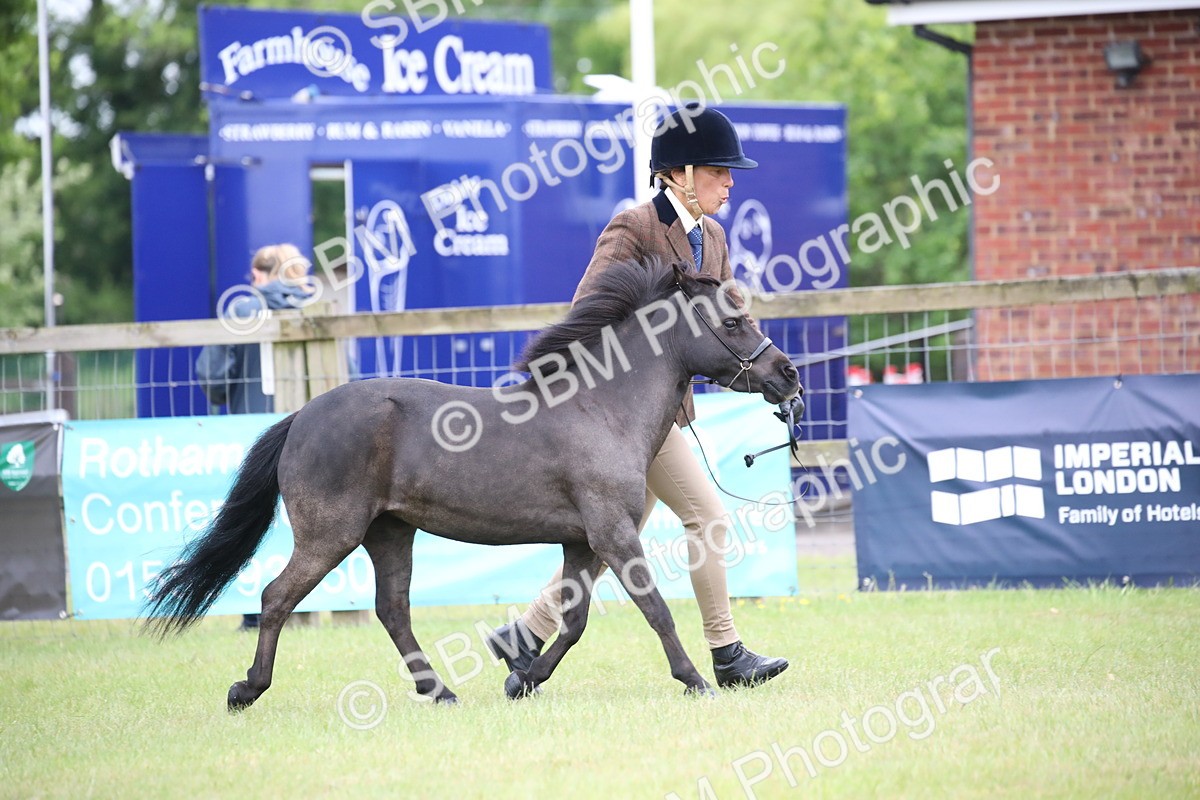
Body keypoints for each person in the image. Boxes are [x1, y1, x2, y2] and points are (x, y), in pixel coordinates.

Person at [487, 105, 789, 688]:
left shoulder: (715, 236)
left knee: (610, 540)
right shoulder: (635, 228)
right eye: (718, 171)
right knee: (707, 515)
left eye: (729, 173)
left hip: (665, 415)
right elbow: (589, 314)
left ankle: (525, 633)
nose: (730, 182)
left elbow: (727, 320)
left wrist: (766, 371)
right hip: (619, 419)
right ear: (678, 175)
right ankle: (726, 653)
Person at [226, 243, 315, 630]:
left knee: (256, 513)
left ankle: (254, 611)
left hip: (255, 423)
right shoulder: (318, 308)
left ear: (260, 275)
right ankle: (308, 608)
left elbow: (214, 373)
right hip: (321, 432)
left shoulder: (245, 308)